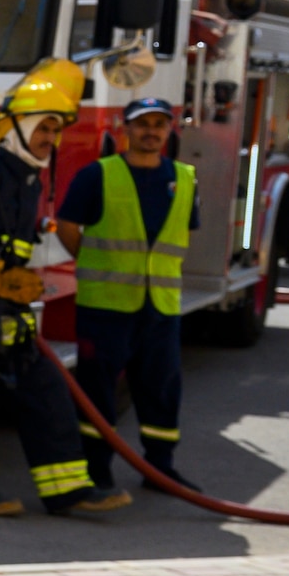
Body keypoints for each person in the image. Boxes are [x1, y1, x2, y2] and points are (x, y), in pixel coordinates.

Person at [0, 59, 132, 517]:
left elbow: (20, 247)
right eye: (43, 127)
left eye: (55, 131)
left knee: (48, 392)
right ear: (15, 127)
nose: (50, 139)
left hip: (4, 312)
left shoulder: (29, 183)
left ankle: (67, 490)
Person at [54, 97, 200, 490]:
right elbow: (67, 225)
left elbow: (183, 233)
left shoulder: (185, 178)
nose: (151, 131)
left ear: (169, 130)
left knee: (161, 388)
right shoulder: (97, 175)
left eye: (159, 124)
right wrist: (95, 264)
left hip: (161, 307)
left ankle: (160, 468)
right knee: (97, 390)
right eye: (142, 124)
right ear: (125, 128)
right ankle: (96, 468)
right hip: (105, 305)